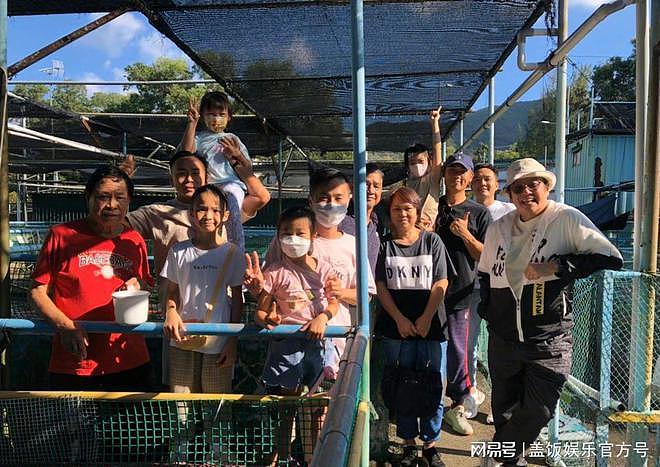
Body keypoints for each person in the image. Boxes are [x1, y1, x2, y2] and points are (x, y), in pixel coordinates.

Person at [478, 158, 623, 466]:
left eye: (534, 184)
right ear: (510, 194)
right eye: (518, 187)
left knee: (540, 409)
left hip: (549, 338)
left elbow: (611, 258)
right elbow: (485, 273)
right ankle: (507, 460)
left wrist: (557, 267)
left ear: (547, 187)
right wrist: (489, 312)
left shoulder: (566, 218)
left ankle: (497, 453)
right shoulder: (499, 228)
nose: (527, 192)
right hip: (503, 337)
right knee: (504, 407)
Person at [30, 166, 153, 390]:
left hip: (128, 358)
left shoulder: (135, 240)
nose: (111, 205)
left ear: (129, 201)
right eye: (103, 197)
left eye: (119, 197)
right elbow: (37, 291)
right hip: (75, 359)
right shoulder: (62, 236)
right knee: (72, 425)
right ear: (88, 198)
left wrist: (137, 285)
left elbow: (145, 284)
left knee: (128, 425)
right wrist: (65, 326)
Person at [246, 166, 376, 377]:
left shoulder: (353, 244)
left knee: (328, 403)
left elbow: (366, 295)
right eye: (323, 198)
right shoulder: (284, 242)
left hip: (336, 342)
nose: (331, 205)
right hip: (290, 342)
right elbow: (268, 287)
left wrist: (339, 293)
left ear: (349, 199)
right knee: (290, 399)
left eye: (338, 198)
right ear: (311, 200)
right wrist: (259, 293)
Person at [255, 206, 339, 464]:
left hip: (317, 346)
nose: (293, 239)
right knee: (287, 409)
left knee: (316, 409)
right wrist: (269, 319)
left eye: (299, 233)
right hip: (285, 349)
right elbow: (261, 310)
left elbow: (335, 303)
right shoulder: (274, 271)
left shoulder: (325, 269)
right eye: (286, 233)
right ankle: (282, 456)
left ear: (313, 235)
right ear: (278, 237)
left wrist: (322, 317)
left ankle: (314, 458)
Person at [375, 187, 451, 467]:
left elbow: (441, 282)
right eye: (397, 209)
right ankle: (408, 443)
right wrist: (399, 318)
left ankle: (430, 444)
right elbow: (381, 286)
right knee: (402, 385)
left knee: (433, 386)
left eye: (408, 208)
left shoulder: (432, 242)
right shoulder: (385, 245)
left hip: (432, 328)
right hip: (397, 329)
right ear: (390, 214)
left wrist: (427, 316)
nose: (403, 214)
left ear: (417, 212)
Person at [161, 185, 246, 394]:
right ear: (191, 213)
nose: (208, 215)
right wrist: (171, 311)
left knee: (215, 407)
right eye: (201, 209)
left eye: (215, 210)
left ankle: (215, 429)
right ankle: (184, 430)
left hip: (219, 341)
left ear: (225, 215)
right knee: (181, 406)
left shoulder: (233, 254)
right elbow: (172, 290)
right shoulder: (178, 251)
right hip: (182, 337)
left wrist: (232, 342)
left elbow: (237, 300)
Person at [434, 152, 491, 436]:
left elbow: (488, 255)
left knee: (458, 351)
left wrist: (465, 235)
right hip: (429, 291)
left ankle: (456, 405)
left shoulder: (479, 213)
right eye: (451, 171)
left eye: (462, 172)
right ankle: (431, 405)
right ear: (443, 175)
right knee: (431, 348)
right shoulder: (432, 207)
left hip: (461, 292)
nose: (456, 176)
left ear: (469, 178)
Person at [467, 163, 516, 420]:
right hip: (471, 288)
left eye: (487, 179)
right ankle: (470, 395)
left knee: (502, 348)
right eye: (477, 179)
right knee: (468, 345)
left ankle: (502, 405)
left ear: (498, 185)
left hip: (502, 288)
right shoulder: (463, 210)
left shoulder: (509, 211)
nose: (482, 184)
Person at [180, 91, 252, 250]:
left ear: (229, 117)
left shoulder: (233, 138)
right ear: (203, 116)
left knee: (231, 208)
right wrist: (192, 123)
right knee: (202, 217)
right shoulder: (199, 139)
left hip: (231, 184)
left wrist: (237, 154)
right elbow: (186, 153)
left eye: (221, 114)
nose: (216, 118)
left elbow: (248, 167)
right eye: (211, 114)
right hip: (208, 188)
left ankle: (236, 249)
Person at [340, 162, 384, 274]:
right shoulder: (341, 220)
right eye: (366, 184)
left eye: (376, 186)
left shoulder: (377, 222)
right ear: (352, 188)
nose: (371, 190)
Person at [404, 107, 443, 230]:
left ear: (429, 161)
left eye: (421, 161)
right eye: (412, 162)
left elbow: (437, 149)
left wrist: (435, 124)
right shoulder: (406, 185)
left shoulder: (432, 179)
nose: (416, 165)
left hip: (430, 232)